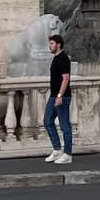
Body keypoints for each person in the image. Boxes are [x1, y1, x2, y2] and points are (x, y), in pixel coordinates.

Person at [43, 33, 73, 166]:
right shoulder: (56, 58)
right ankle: (57, 149)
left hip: (62, 97)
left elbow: (66, 78)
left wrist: (60, 96)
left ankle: (67, 154)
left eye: (52, 43)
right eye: (49, 43)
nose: (49, 46)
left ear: (58, 45)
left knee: (65, 125)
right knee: (47, 121)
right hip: (54, 96)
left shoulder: (63, 59)